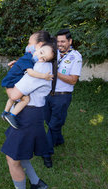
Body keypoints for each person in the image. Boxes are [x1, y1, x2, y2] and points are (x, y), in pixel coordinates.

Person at [1, 31, 57, 189]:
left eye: (30, 42)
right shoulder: (43, 65)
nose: (28, 46)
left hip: (28, 115)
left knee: (12, 158)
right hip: (32, 114)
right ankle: (36, 183)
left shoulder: (40, 68)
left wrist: (7, 87)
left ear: (40, 45)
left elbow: (15, 93)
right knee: (20, 154)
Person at [42, 29, 82, 168]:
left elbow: (73, 80)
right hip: (48, 94)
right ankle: (59, 139)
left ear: (70, 41)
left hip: (62, 97)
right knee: (49, 121)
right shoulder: (54, 52)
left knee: (53, 125)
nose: (60, 44)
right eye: (58, 41)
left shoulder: (75, 57)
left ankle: (46, 154)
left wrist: (56, 73)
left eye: (63, 41)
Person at [1, 43, 54, 129]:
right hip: (12, 80)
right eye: (41, 53)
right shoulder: (29, 59)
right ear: (37, 48)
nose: (40, 58)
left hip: (11, 79)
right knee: (25, 99)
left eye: (43, 59)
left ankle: (5, 112)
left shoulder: (28, 57)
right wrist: (44, 76)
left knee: (13, 98)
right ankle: (12, 115)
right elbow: (31, 73)